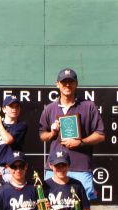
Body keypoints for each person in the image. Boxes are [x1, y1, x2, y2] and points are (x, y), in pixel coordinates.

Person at [39, 68, 105, 200]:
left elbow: (100, 135)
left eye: (71, 81)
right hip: (55, 168)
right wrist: (52, 133)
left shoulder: (88, 106)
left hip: (80, 167)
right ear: (57, 84)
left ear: (76, 84)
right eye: (64, 82)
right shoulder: (49, 109)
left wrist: (80, 142)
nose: (67, 85)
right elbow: (42, 135)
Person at [0, 95, 27, 200]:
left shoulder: (21, 125)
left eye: (17, 106)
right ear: (4, 109)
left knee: (14, 203)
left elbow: (8, 140)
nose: (14, 109)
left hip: (14, 169)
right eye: (11, 106)